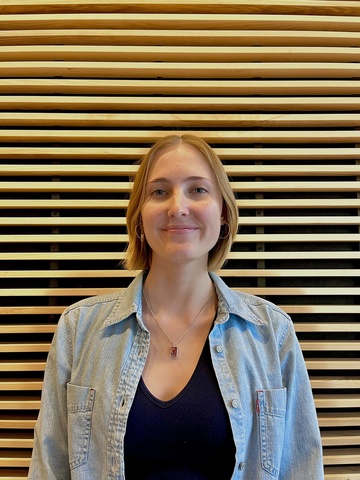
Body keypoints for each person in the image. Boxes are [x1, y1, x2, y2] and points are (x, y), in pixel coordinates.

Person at [28, 134, 324, 479]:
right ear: (139, 216)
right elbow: (49, 468)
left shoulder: (271, 332)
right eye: (159, 191)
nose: (178, 207)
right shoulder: (79, 329)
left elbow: (300, 469)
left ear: (224, 213)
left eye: (198, 190)